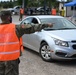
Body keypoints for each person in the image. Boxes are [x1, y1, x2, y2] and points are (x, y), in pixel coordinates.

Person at [0, 11, 53, 75]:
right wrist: (46, 25)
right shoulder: (16, 28)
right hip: (11, 60)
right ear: (9, 18)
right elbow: (32, 27)